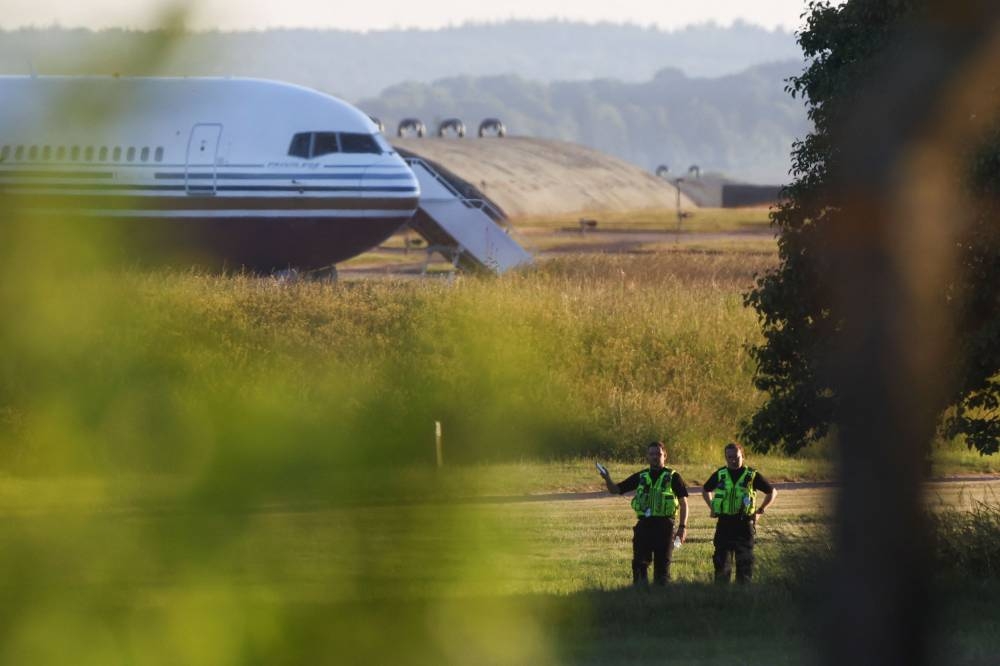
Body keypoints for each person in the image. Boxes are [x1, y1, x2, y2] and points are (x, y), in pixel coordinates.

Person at [598, 441, 689, 586]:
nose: (655, 457)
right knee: (639, 564)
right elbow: (615, 489)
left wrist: (682, 527)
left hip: (665, 525)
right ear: (647, 456)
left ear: (665, 455)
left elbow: (684, 503)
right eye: (651, 454)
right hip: (644, 525)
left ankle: (661, 596)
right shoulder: (641, 476)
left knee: (662, 569)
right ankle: (640, 593)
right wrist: (607, 478)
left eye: (658, 454)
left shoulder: (673, 477)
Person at [701, 441, 777, 583]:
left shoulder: (752, 475)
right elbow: (705, 490)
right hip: (724, 523)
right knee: (721, 560)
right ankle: (721, 593)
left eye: (736, 457)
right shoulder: (720, 474)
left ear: (743, 456)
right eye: (729, 457)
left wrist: (760, 511)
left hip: (744, 523)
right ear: (726, 458)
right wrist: (712, 507)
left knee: (745, 561)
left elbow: (772, 492)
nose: (733, 460)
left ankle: (743, 592)